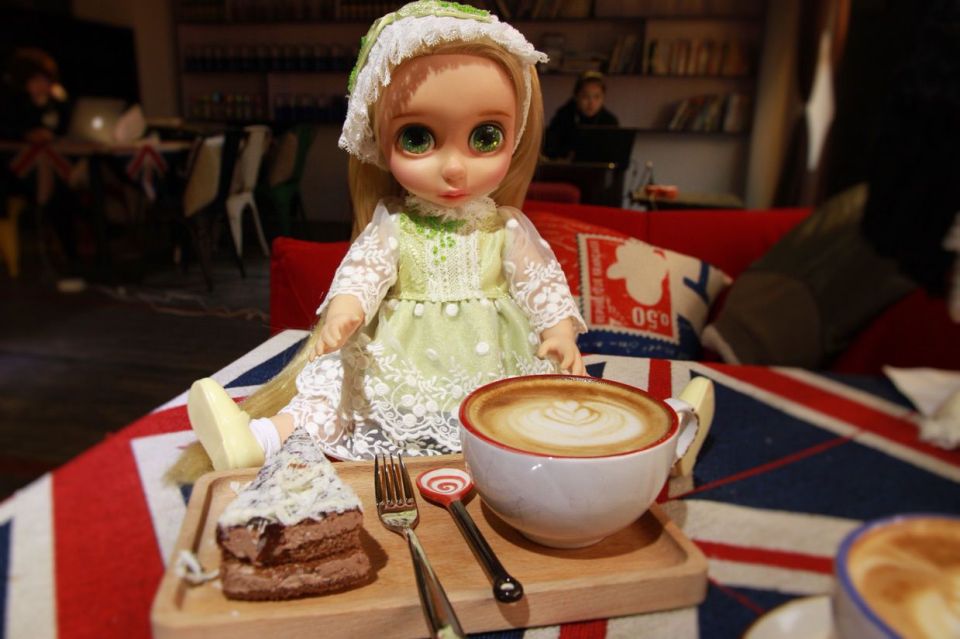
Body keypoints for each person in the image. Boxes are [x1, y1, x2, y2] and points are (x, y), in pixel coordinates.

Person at [186, 0, 587, 470]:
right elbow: (365, 270)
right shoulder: (394, 224)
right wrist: (346, 308)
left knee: (529, 410)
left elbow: (540, 284)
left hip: (490, 363)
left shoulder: (505, 228)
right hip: (403, 363)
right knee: (336, 388)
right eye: (417, 138)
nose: (454, 168)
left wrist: (559, 331)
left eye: (485, 137)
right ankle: (261, 438)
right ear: (378, 142)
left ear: (516, 137)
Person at [543, 70, 619, 159]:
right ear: (576, 96)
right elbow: (550, 149)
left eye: (597, 97)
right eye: (585, 97)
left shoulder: (610, 121)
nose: (591, 103)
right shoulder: (563, 117)